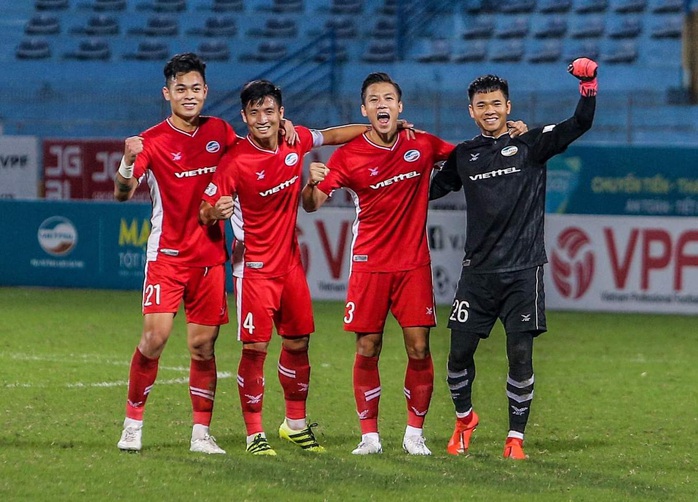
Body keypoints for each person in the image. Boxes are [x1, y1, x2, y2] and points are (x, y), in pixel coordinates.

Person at [300, 72, 528, 456]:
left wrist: (510, 133)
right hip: (368, 264)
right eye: (374, 99)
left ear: (400, 106)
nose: (382, 104)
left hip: (413, 265)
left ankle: (414, 434)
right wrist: (311, 182)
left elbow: (471, 156)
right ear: (365, 110)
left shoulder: (421, 144)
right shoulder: (349, 155)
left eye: (388, 98)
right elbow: (311, 204)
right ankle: (369, 436)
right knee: (367, 347)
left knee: (419, 348)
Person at [113, 53, 295, 454]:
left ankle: (201, 433)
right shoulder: (152, 140)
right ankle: (132, 424)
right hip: (167, 256)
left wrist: (285, 127)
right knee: (154, 339)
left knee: (202, 347)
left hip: (211, 257)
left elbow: (254, 149)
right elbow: (122, 193)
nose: (189, 95)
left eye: (196, 88)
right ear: (167, 94)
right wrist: (127, 162)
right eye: (181, 89)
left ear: (206, 91)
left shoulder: (220, 131)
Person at [429, 58, 597, 460]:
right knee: (457, 356)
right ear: (471, 111)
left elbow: (580, 123)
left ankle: (515, 439)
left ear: (509, 106)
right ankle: (465, 418)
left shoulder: (531, 143)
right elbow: (430, 190)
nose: (490, 110)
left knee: (520, 354)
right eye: (482, 105)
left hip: (524, 271)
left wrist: (588, 85)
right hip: (478, 274)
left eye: (496, 103)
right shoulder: (464, 155)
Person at [199, 79, 377, 456]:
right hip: (254, 270)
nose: (262, 119)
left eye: (269, 111)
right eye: (254, 113)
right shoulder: (234, 161)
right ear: (244, 117)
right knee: (255, 349)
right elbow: (205, 208)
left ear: (281, 114)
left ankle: (294, 425)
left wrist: (381, 129)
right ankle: (254, 435)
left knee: (298, 343)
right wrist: (215, 212)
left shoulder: (293, 141)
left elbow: (335, 135)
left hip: (291, 267)